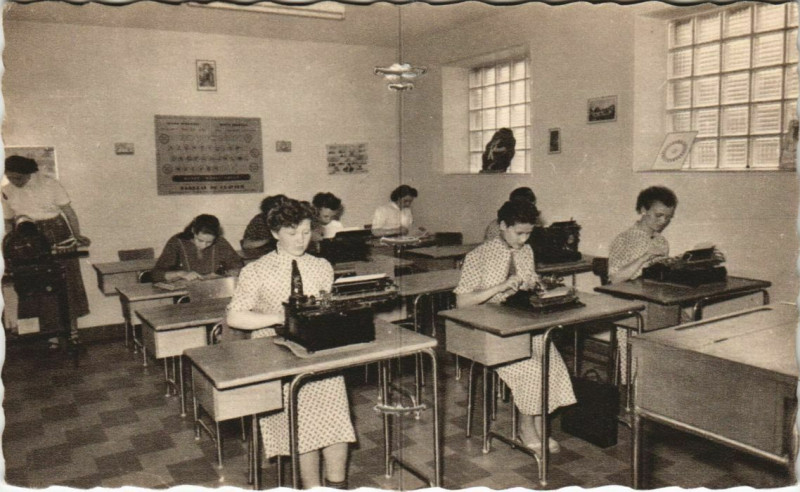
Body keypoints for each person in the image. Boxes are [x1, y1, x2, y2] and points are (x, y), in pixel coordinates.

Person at [226, 198, 355, 489]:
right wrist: (278, 317)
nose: (301, 240)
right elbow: (235, 317)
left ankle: (337, 485)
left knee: (336, 422)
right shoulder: (256, 270)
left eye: (307, 232)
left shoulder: (321, 266)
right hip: (276, 353)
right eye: (292, 233)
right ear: (274, 234)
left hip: (318, 350)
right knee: (303, 426)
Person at [454, 199, 576, 454]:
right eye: (518, 233)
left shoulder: (526, 251)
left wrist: (539, 287)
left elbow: (529, 284)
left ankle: (541, 423)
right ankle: (526, 427)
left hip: (519, 324)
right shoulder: (478, 256)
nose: (523, 239)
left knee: (553, 364)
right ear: (502, 226)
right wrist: (499, 287)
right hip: (488, 331)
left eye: (528, 233)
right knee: (532, 371)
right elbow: (462, 301)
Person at [2, 155, 91, 338]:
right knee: (40, 287)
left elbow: (69, 212)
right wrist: (10, 247)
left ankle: (72, 331)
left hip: (58, 233)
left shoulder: (50, 184)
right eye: (10, 177)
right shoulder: (5, 191)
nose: (14, 181)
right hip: (28, 238)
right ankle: (52, 334)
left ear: (29, 174)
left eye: (18, 178)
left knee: (67, 284)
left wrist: (77, 235)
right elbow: (9, 221)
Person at [607, 185, 677, 381]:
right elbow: (615, 278)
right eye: (658, 215)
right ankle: (634, 394)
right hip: (629, 305)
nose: (663, 222)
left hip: (654, 302)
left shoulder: (661, 242)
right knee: (638, 360)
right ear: (643, 210)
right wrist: (645, 256)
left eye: (668, 218)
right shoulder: (624, 239)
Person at [152, 214, 243, 283]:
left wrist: (233, 271)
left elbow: (237, 265)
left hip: (214, 288)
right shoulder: (177, 242)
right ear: (193, 231)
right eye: (200, 240)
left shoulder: (220, 242)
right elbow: (156, 274)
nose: (203, 245)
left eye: (209, 242)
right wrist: (180, 274)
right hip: (185, 295)